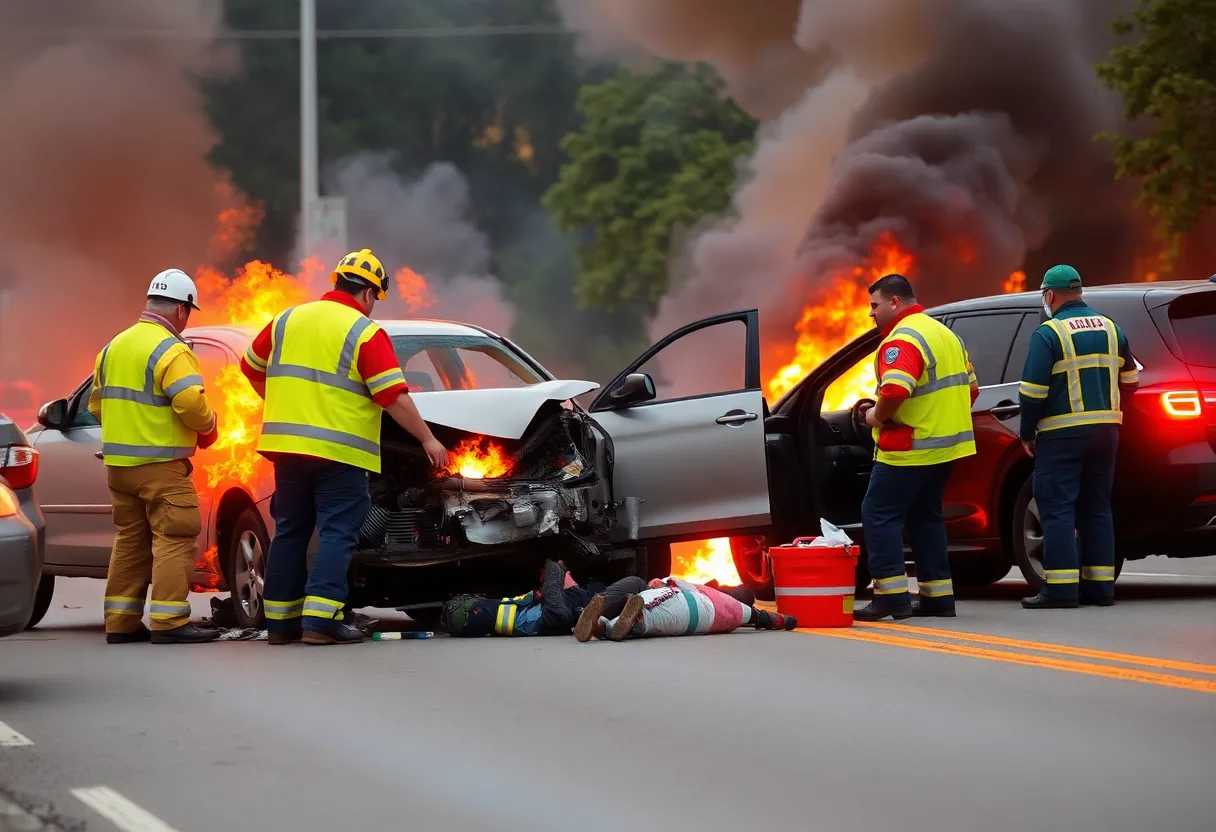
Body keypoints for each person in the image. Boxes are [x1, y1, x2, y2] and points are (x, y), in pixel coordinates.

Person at [240, 248, 449, 645]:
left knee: (290, 530)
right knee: (338, 531)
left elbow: (250, 366)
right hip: (339, 453)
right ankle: (321, 623)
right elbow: (392, 395)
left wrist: (283, 403)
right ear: (369, 295)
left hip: (286, 449)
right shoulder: (364, 332)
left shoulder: (288, 319)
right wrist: (427, 438)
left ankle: (281, 625)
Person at [89, 268, 220, 644]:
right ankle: (169, 621)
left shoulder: (113, 347)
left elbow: (97, 406)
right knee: (174, 537)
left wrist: (129, 431)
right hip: (161, 467)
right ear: (181, 310)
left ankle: (120, 622)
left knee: (130, 538)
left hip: (119, 467)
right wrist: (208, 427)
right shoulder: (171, 349)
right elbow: (190, 401)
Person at [854, 274, 979, 621]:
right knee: (926, 517)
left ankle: (891, 598)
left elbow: (894, 390)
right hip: (946, 449)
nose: (871, 313)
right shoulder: (945, 334)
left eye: (874, 305)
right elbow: (971, 390)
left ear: (895, 302)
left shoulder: (903, 339)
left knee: (878, 513)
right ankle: (938, 598)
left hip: (910, 448)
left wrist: (875, 417)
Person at [1017, 265, 1138, 609]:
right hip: (1107, 433)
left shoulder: (1049, 333)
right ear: (1080, 292)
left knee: (1056, 509)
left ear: (1050, 295)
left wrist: (1027, 433)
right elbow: (1131, 382)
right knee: (1097, 507)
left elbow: (1032, 393)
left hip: (1061, 435)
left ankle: (1060, 589)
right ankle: (1101, 589)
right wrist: (1109, 410)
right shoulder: (1112, 329)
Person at [440, 560, 650, 638]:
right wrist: (558, 569)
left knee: (629, 592)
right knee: (637, 583)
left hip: (572, 609)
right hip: (558, 613)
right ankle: (618, 622)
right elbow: (554, 600)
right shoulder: (484, 612)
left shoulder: (586, 589)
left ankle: (612, 626)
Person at [573, 576, 796, 642]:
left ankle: (600, 617)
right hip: (663, 599)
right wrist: (784, 621)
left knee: (637, 587)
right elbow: (764, 617)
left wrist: (662, 581)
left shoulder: (724, 599)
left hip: (672, 597)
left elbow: (677, 586)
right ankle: (601, 622)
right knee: (640, 593)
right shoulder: (730, 606)